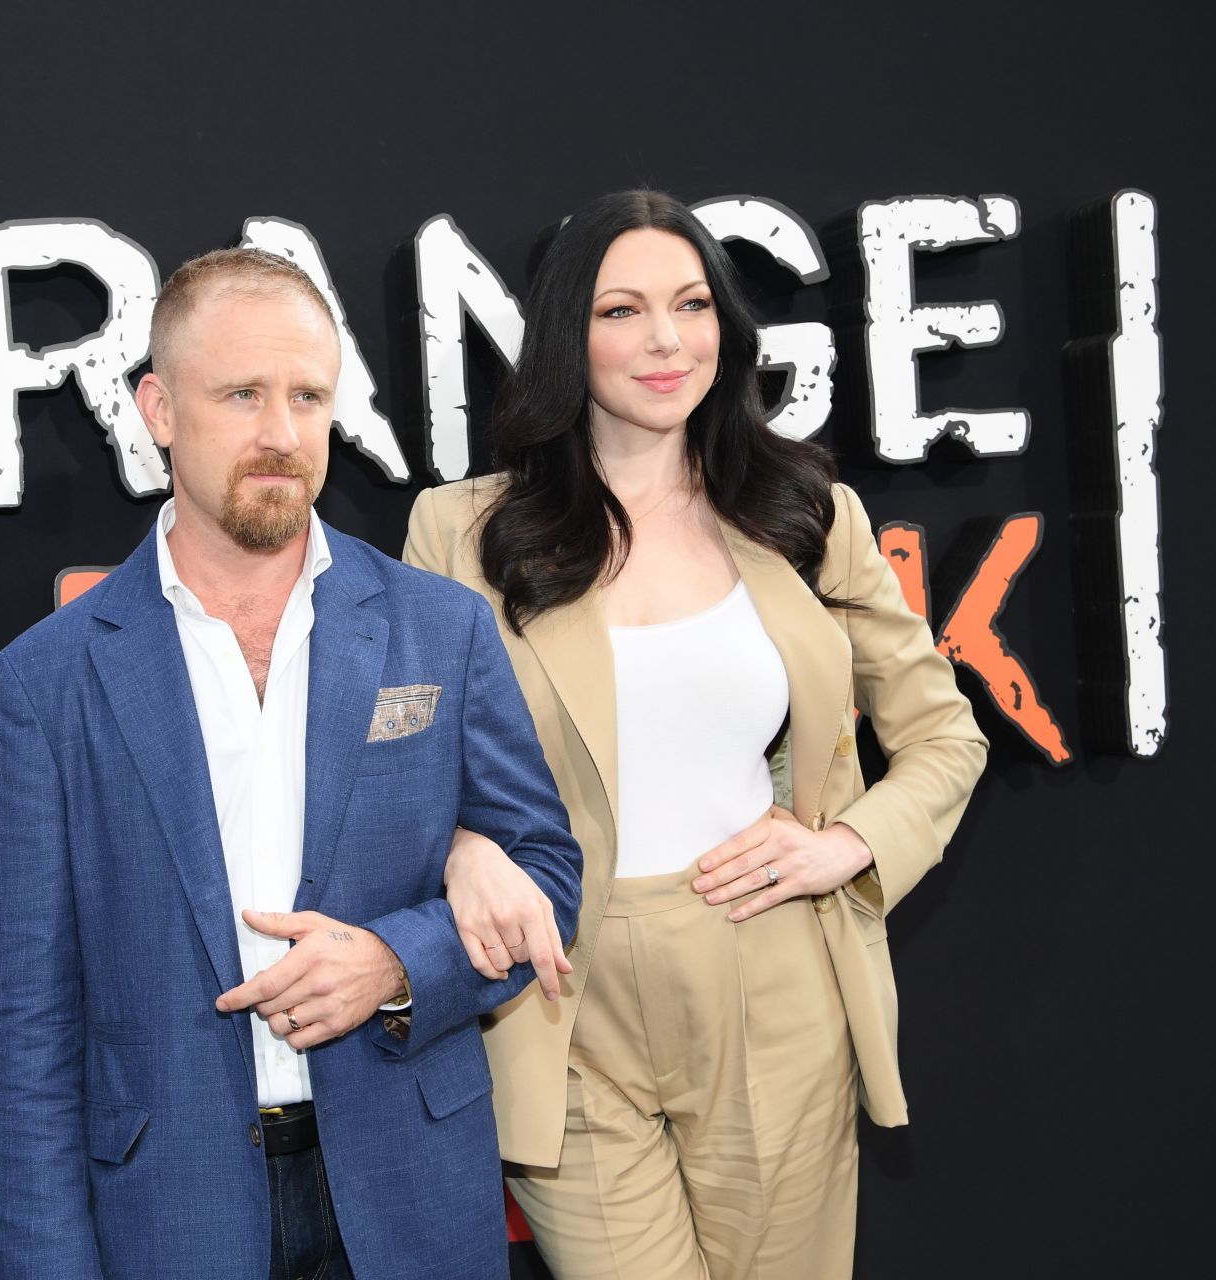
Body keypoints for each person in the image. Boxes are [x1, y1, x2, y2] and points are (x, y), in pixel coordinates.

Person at [407, 190, 989, 1279]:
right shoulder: (463, 529)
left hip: (769, 973)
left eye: (690, 305)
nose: (666, 340)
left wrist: (845, 845)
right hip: (557, 992)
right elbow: (408, 758)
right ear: (565, 337)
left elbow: (945, 735)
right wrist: (462, 844)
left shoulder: (804, 509)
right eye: (622, 310)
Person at [0, 246, 582, 1280]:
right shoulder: (49, 678)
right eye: (242, 394)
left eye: (308, 395)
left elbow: (547, 883)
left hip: (410, 1188)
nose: (281, 433)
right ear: (159, 409)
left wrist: (397, 964)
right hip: (171, 1209)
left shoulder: (439, 630)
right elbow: (30, 1024)